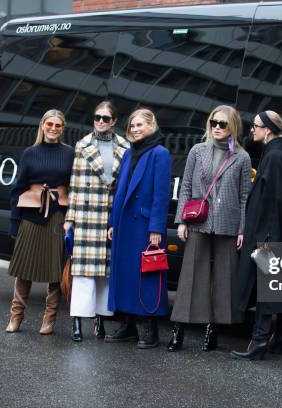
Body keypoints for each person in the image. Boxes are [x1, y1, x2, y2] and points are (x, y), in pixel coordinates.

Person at [168, 105, 252, 352]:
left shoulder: (242, 157)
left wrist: (242, 229)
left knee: (223, 279)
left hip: (227, 223)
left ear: (233, 127)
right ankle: (178, 331)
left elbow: (245, 196)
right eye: (214, 122)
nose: (216, 127)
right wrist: (181, 221)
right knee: (191, 277)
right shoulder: (197, 151)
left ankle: (211, 329)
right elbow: (185, 188)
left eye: (222, 123)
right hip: (198, 221)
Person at [231, 110, 282, 360]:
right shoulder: (275, 154)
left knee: (265, 286)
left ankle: (259, 341)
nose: (252, 130)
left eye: (256, 126)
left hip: (267, 235)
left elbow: (276, 200)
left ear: (268, 130)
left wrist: (266, 239)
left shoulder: (274, 157)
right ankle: (279, 337)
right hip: (271, 232)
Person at [105, 108, 172, 349]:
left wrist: (156, 228)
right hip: (125, 224)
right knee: (125, 275)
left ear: (152, 125)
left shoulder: (160, 153)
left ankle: (149, 329)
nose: (134, 129)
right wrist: (113, 222)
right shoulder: (129, 153)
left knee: (147, 276)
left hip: (145, 227)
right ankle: (128, 325)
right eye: (132, 126)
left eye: (139, 125)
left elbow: (161, 195)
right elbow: (119, 192)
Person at [64, 101, 130, 342]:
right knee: (83, 273)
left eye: (105, 118)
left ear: (113, 121)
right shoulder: (83, 145)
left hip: (111, 216)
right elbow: (76, 183)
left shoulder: (125, 146)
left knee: (105, 273)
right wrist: (70, 218)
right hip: (87, 214)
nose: (100, 121)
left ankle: (100, 319)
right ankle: (78, 322)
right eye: (97, 117)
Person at [5, 109, 75, 335]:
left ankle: (49, 321)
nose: (53, 128)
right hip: (30, 214)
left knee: (55, 269)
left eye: (58, 125)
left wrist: (71, 219)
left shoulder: (70, 154)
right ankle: (16, 318)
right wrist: (14, 222)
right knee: (24, 268)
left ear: (63, 128)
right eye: (50, 124)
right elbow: (18, 189)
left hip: (57, 215)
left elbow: (74, 188)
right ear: (42, 125)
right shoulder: (30, 153)